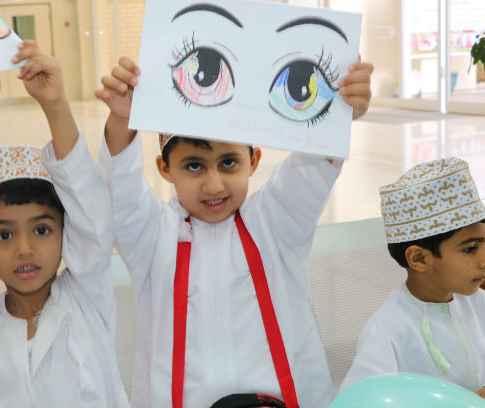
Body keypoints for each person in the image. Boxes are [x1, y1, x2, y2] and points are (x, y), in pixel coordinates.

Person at [95, 55, 374, 408]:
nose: (214, 185)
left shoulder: (275, 220)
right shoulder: (152, 235)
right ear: (165, 168)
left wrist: (341, 108)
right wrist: (122, 118)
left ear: (253, 161)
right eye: (194, 166)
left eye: (229, 163)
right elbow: (120, 187)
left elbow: (312, 164)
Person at [0, 41, 130, 407]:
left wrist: (55, 105)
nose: (24, 249)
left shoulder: (88, 296)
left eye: (42, 230)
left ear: (65, 232)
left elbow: (92, 215)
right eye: (4, 234)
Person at [341, 158, 485, 400]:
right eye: (470, 248)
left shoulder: (482, 305)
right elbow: (361, 400)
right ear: (419, 258)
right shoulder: (388, 330)